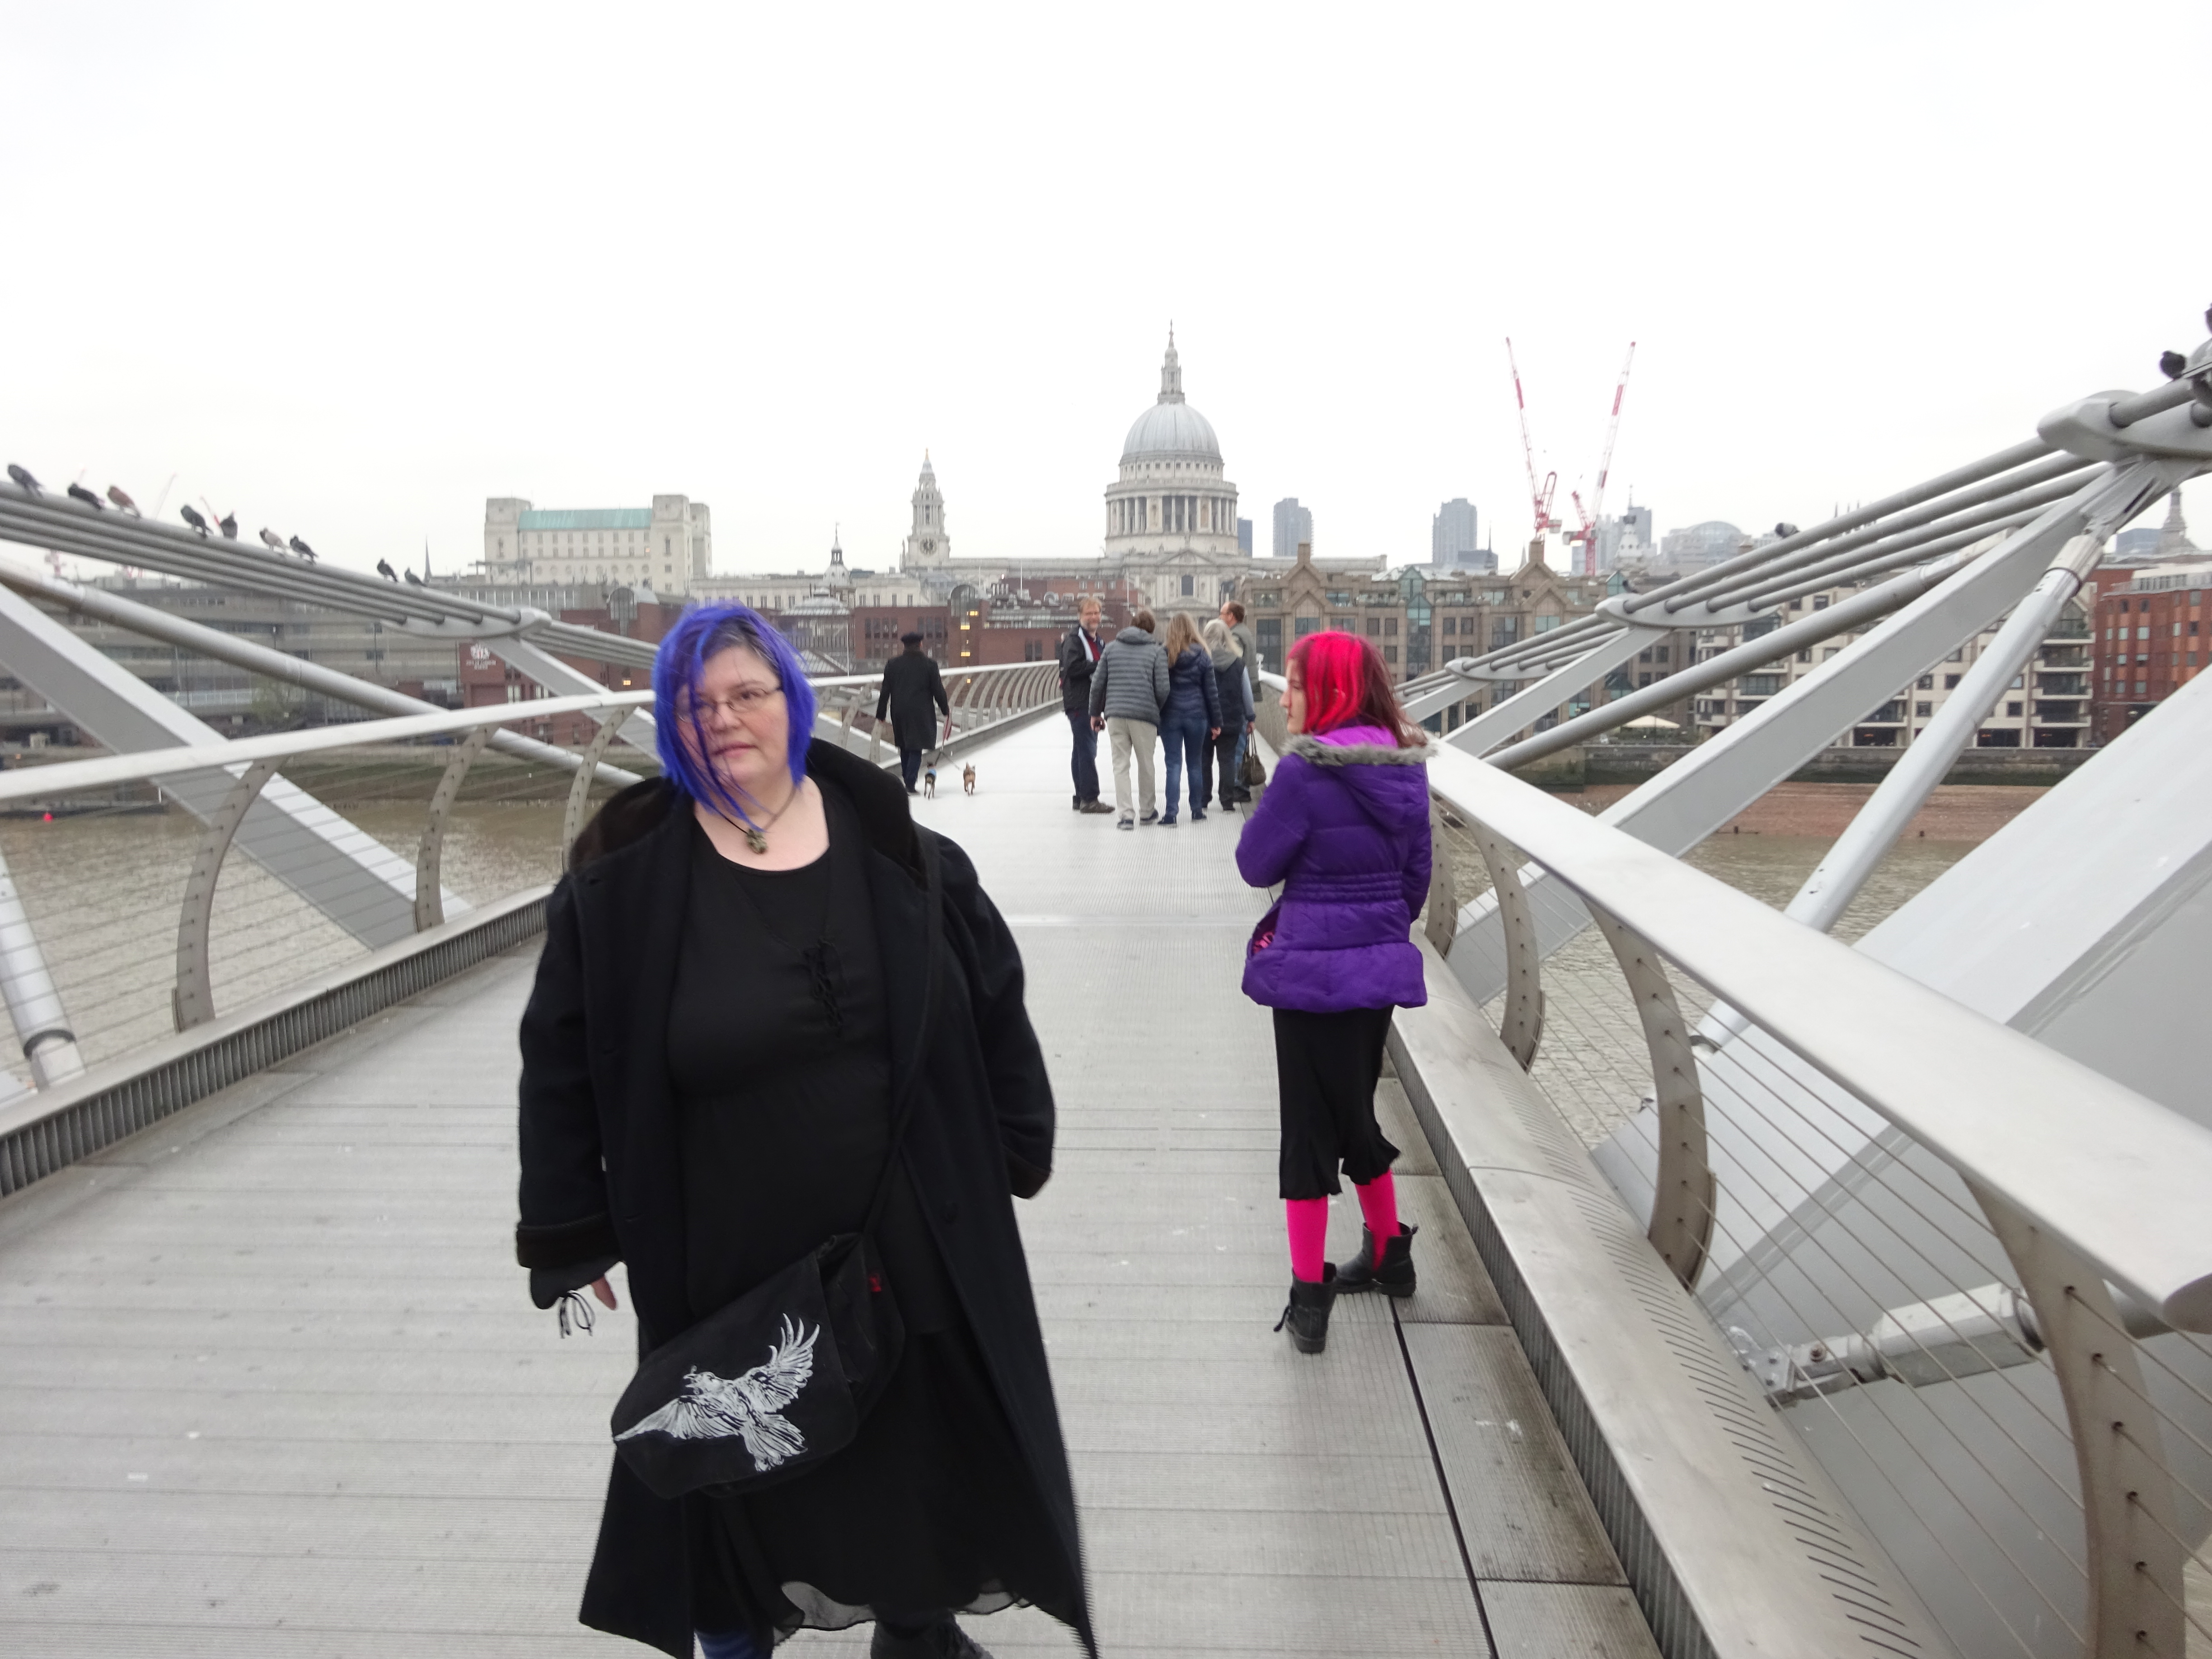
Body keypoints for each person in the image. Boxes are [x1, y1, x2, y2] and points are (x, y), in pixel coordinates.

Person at [517, 602, 1093, 1659]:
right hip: (722, 1255)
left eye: (747, 693)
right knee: (735, 1475)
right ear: (668, 726)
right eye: (696, 705)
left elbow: (990, 999)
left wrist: (1014, 1138)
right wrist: (568, 1226)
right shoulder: (622, 884)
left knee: (918, 1454)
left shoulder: (903, 852)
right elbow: (559, 1056)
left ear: (791, 700)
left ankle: (917, 1631)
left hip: (905, 1231)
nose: (724, 718)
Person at [1233, 630, 1433, 1356]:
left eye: (1294, 685)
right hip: (1376, 970)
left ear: (1331, 692)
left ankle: (1308, 1295)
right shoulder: (1408, 771)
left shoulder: (1302, 775)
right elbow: (1418, 880)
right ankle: (1388, 1253)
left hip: (1311, 971)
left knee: (1308, 1131)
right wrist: (1375, 932)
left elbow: (1256, 865)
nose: (1285, 698)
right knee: (1352, 1108)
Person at [1087, 609, 1169, 830]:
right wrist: (1156, 709)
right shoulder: (1157, 651)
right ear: (1151, 630)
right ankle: (1146, 812)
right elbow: (1163, 688)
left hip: (1115, 714)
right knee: (1146, 764)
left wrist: (1096, 714)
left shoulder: (1111, 649)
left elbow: (1097, 684)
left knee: (1120, 766)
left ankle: (1125, 816)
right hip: (1145, 715)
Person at [1157, 612, 1221, 826]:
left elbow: (1159, 689)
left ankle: (1171, 814)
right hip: (1197, 715)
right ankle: (1196, 811)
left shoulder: (1164, 654)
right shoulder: (1203, 655)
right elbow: (1211, 692)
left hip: (1171, 716)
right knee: (1195, 764)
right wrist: (1216, 722)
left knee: (1173, 764)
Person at [1056, 598, 1112, 814]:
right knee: (1088, 751)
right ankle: (1090, 799)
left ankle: (1080, 797)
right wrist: (1101, 664)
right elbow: (1072, 668)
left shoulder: (1098, 642)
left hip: (1092, 703)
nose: (1094, 617)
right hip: (1080, 702)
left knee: (1080, 750)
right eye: (1089, 613)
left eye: (1097, 613)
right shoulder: (1074, 640)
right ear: (1080, 616)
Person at [876, 631, 949, 794]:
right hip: (920, 712)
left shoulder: (893, 664)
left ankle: (907, 779)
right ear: (920, 645)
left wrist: (881, 714)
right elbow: (938, 690)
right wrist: (946, 710)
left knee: (904, 745)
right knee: (916, 746)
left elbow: (885, 690)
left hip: (899, 711)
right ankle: (910, 782)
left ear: (904, 646)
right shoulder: (930, 665)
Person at [1200, 617, 1256, 812]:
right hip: (1231, 718)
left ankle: (1203, 798)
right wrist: (1250, 717)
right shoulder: (1238, 664)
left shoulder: (1201, 661)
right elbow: (1246, 693)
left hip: (1205, 719)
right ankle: (1227, 801)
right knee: (1228, 759)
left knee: (1204, 759)